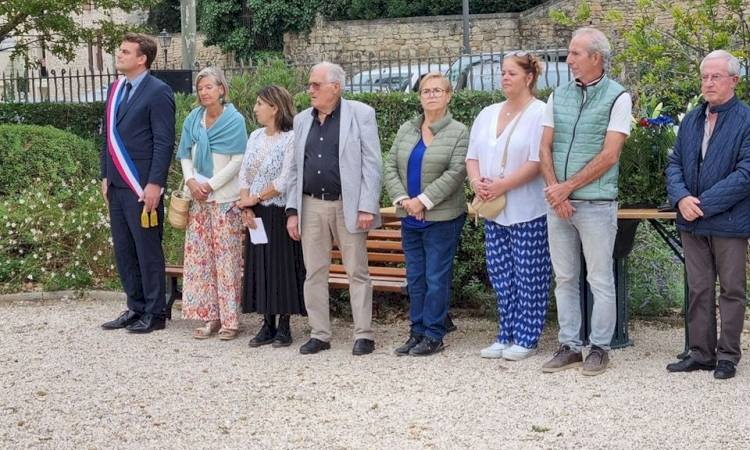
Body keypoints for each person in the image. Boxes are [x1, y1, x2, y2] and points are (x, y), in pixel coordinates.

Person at [538, 27, 632, 376]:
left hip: (595, 204)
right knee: (564, 278)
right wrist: (555, 190)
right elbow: (543, 147)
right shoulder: (557, 95)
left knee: (600, 279)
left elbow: (609, 155)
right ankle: (569, 345)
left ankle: (600, 348)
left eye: (575, 53)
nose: (569, 59)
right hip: (558, 202)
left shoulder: (618, 97)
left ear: (596, 58)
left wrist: (567, 188)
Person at [285, 61, 382, 356]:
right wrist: (292, 211)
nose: (310, 90)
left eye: (316, 85)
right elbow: (293, 168)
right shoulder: (302, 119)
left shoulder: (361, 114)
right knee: (314, 272)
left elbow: (372, 163)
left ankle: (363, 334)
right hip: (311, 205)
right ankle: (319, 333)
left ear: (335, 88)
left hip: (348, 205)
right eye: (310, 84)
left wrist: (367, 206)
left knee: (357, 272)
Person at [665, 50, 750, 380]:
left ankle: (727, 355)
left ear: (734, 81)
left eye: (716, 76)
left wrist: (701, 203)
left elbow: (746, 173)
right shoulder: (691, 119)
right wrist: (682, 197)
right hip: (692, 219)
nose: (708, 82)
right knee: (698, 288)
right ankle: (701, 353)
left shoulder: (745, 119)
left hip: (728, 220)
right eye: (704, 77)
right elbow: (674, 163)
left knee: (731, 289)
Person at [467, 52, 552, 361]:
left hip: (528, 209)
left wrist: (503, 184)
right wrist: (477, 182)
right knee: (501, 275)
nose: (504, 78)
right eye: (502, 73)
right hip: (494, 209)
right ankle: (505, 333)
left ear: (529, 78)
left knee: (529, 276)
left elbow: (537, 161)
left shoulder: (540, 112)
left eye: (511, 73)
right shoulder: (487, 112)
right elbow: (472, 155)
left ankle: (527, 337)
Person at [384, 72, 468, 356]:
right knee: (416, 277)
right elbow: (390, 166)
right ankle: (416, 331)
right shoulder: (407, 128)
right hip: (409, 216)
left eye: (437, 91)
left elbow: (456, 172)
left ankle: (434, 334)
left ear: (448, 95)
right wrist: (405, 200)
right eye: (425, 91)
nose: (431, 95)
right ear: (419, 96)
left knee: (435, 277)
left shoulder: (459, 131)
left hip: (441, 218)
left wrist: (423, 201)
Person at [100, 33, 176, 333]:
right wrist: (105, 174)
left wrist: (156, 183)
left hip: (142, 186)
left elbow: (163, 141)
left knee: (147, 249)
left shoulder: (159, 91)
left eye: (125, 51)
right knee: (124, 249)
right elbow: (107, 137)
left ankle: (155, 313)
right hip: (118, 184)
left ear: (142, 58)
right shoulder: (116, 89)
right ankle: (135, 306)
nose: (119, 55)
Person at [176, 67, 248, 340]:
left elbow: (238, 159)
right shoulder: (193, 119)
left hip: (223, 200)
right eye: (200, 88)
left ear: (221, 89)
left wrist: (211, 184)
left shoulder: (235, 120)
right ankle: (209, 317)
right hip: (199, 200)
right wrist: (191, 181)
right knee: (201, 261)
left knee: (226, 261)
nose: (204, 92)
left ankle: (230, 319)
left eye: (208, 87)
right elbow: (184, 154)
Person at [239, 85, 306, 348]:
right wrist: (246, 204)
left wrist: (257, 198)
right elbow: (245, 171)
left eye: (259, 103)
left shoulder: (290, 138)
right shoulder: (255, 136)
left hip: (277, 210)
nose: (255, 109)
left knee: (281, 267)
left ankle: (285, 326)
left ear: (275, 107)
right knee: (260, 265)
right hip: (255, 211)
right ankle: (266, 323)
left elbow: (286, 178)